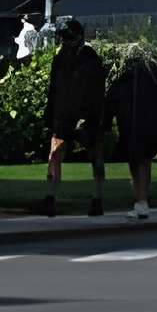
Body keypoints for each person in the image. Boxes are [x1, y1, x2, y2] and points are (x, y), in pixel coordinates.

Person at [42, 19, 109, 217]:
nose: (63, 41)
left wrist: (92, 116)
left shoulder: (89, 57)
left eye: (65, 37)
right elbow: (53, 89)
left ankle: (97, 198)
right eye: (61, 37)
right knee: (54, 154)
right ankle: (51, 197)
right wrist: (50, 115)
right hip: (64, 114)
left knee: (95, 155)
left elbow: (97, 90)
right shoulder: (60, 58)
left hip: (87, 115)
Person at [105, 39, 157, 222]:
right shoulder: (154, 79)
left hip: (134, 126)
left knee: (138, 162)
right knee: (144, 160)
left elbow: (110, 103)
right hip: (152, 126)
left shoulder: (124, 80)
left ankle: (141, 201)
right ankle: (143, 197)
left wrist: (105, 124)